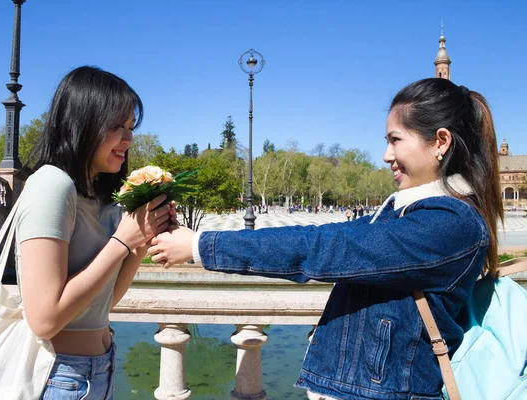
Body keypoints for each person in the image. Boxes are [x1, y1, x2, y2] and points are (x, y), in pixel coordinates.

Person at [148, 78, 503, 399]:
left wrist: (199, 247)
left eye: (396, 140)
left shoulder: (449, 224)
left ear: (440, 142)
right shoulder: (402, 212)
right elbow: (316, 238)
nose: (386, 155)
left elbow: (322, 250)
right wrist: (186, 237)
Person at [15, 66, 172, 400]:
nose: (128, 139)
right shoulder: (51, 185)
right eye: (117, 126)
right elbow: (44, 320)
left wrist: (140, 239)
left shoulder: (92, 192)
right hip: (61, 376)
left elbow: (102, 303)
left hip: (97, 369)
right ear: (83, 123)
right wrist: (121, 241)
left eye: (130, 127)